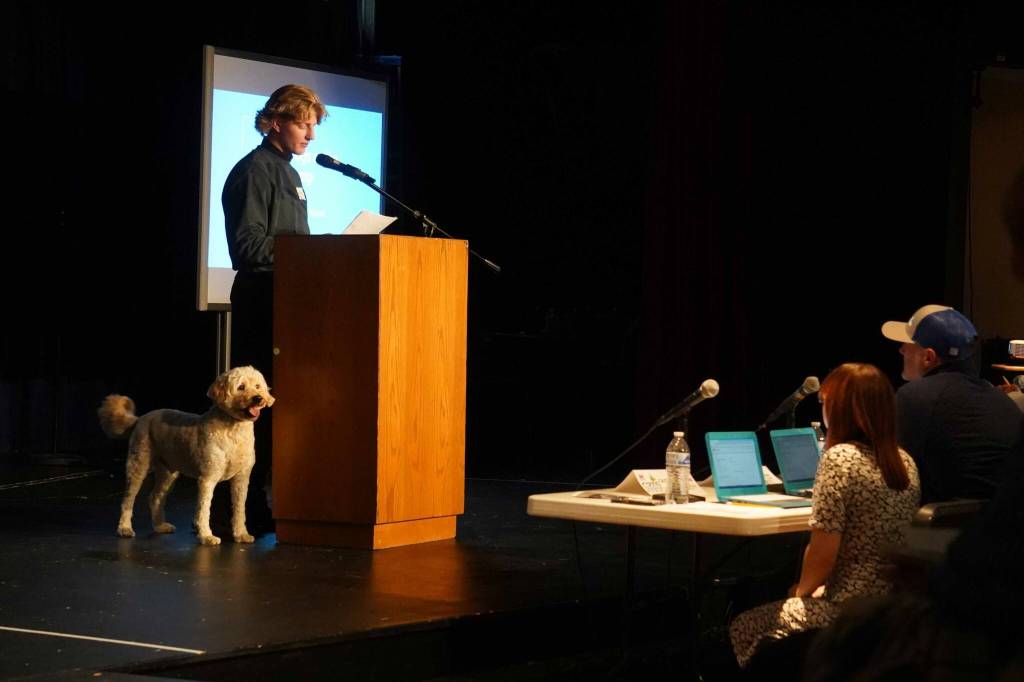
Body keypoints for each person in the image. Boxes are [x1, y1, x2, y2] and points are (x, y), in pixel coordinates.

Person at [729, 363, 920, 668]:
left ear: (841, 409)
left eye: (825, 402)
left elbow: (823, 552)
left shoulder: (839, 458)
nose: (823, 410)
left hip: (846, 609)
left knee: (745, 627)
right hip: (891, 608)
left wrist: (800, 591)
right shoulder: (904, 461)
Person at [221, 84, 327, 532]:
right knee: (253, 412)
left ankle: (268, 503)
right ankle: (236, 512)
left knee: (283, 409)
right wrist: (306, 255)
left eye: (314, 126)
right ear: (277, 122)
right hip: (261, 302)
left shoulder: (289, 172)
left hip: (290, 304)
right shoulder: (254, 171)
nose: (311, 135)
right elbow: (247, 247)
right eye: (304, 124)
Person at [881, 304, 1022, 503]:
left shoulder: (915, 397)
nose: (901, 350)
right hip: (1003, 519)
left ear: (928, 357)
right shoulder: (1002, 401)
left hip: (942, 521)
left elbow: (890, 472)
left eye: (908, 344)